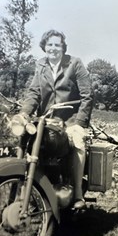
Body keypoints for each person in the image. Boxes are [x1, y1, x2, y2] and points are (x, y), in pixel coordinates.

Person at [20, 29, 94, 209]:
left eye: (57, 45)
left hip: (70, 120)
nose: (53, 48)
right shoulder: (41, 65)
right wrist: (24, 113)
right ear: (44, 46)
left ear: (63, 47)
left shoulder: (74, 64)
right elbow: (34, 92)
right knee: (26, 140)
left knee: (77, 142)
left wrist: (79, 123)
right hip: (46, 120)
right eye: (49, 44)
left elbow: (88, 95)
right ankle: (28, 188)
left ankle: (77, 195)